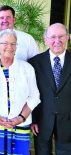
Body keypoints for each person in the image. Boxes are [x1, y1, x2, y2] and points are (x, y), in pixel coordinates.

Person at [0, 29, 40, 155]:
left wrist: (21, 118)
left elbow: (34, 96)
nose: (9, 47)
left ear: (16, 47)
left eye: (13, 44)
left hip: (19, 126)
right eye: (5, 43)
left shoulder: (27, 69)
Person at [29, 23, 71, 155]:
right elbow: (31, 94)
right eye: (52, 37)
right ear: (46, 40)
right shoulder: (34, 63)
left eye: (61, 36)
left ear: (68, 37)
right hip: (42, 122)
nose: (57, 41)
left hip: (68, 123)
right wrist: (33, 119)